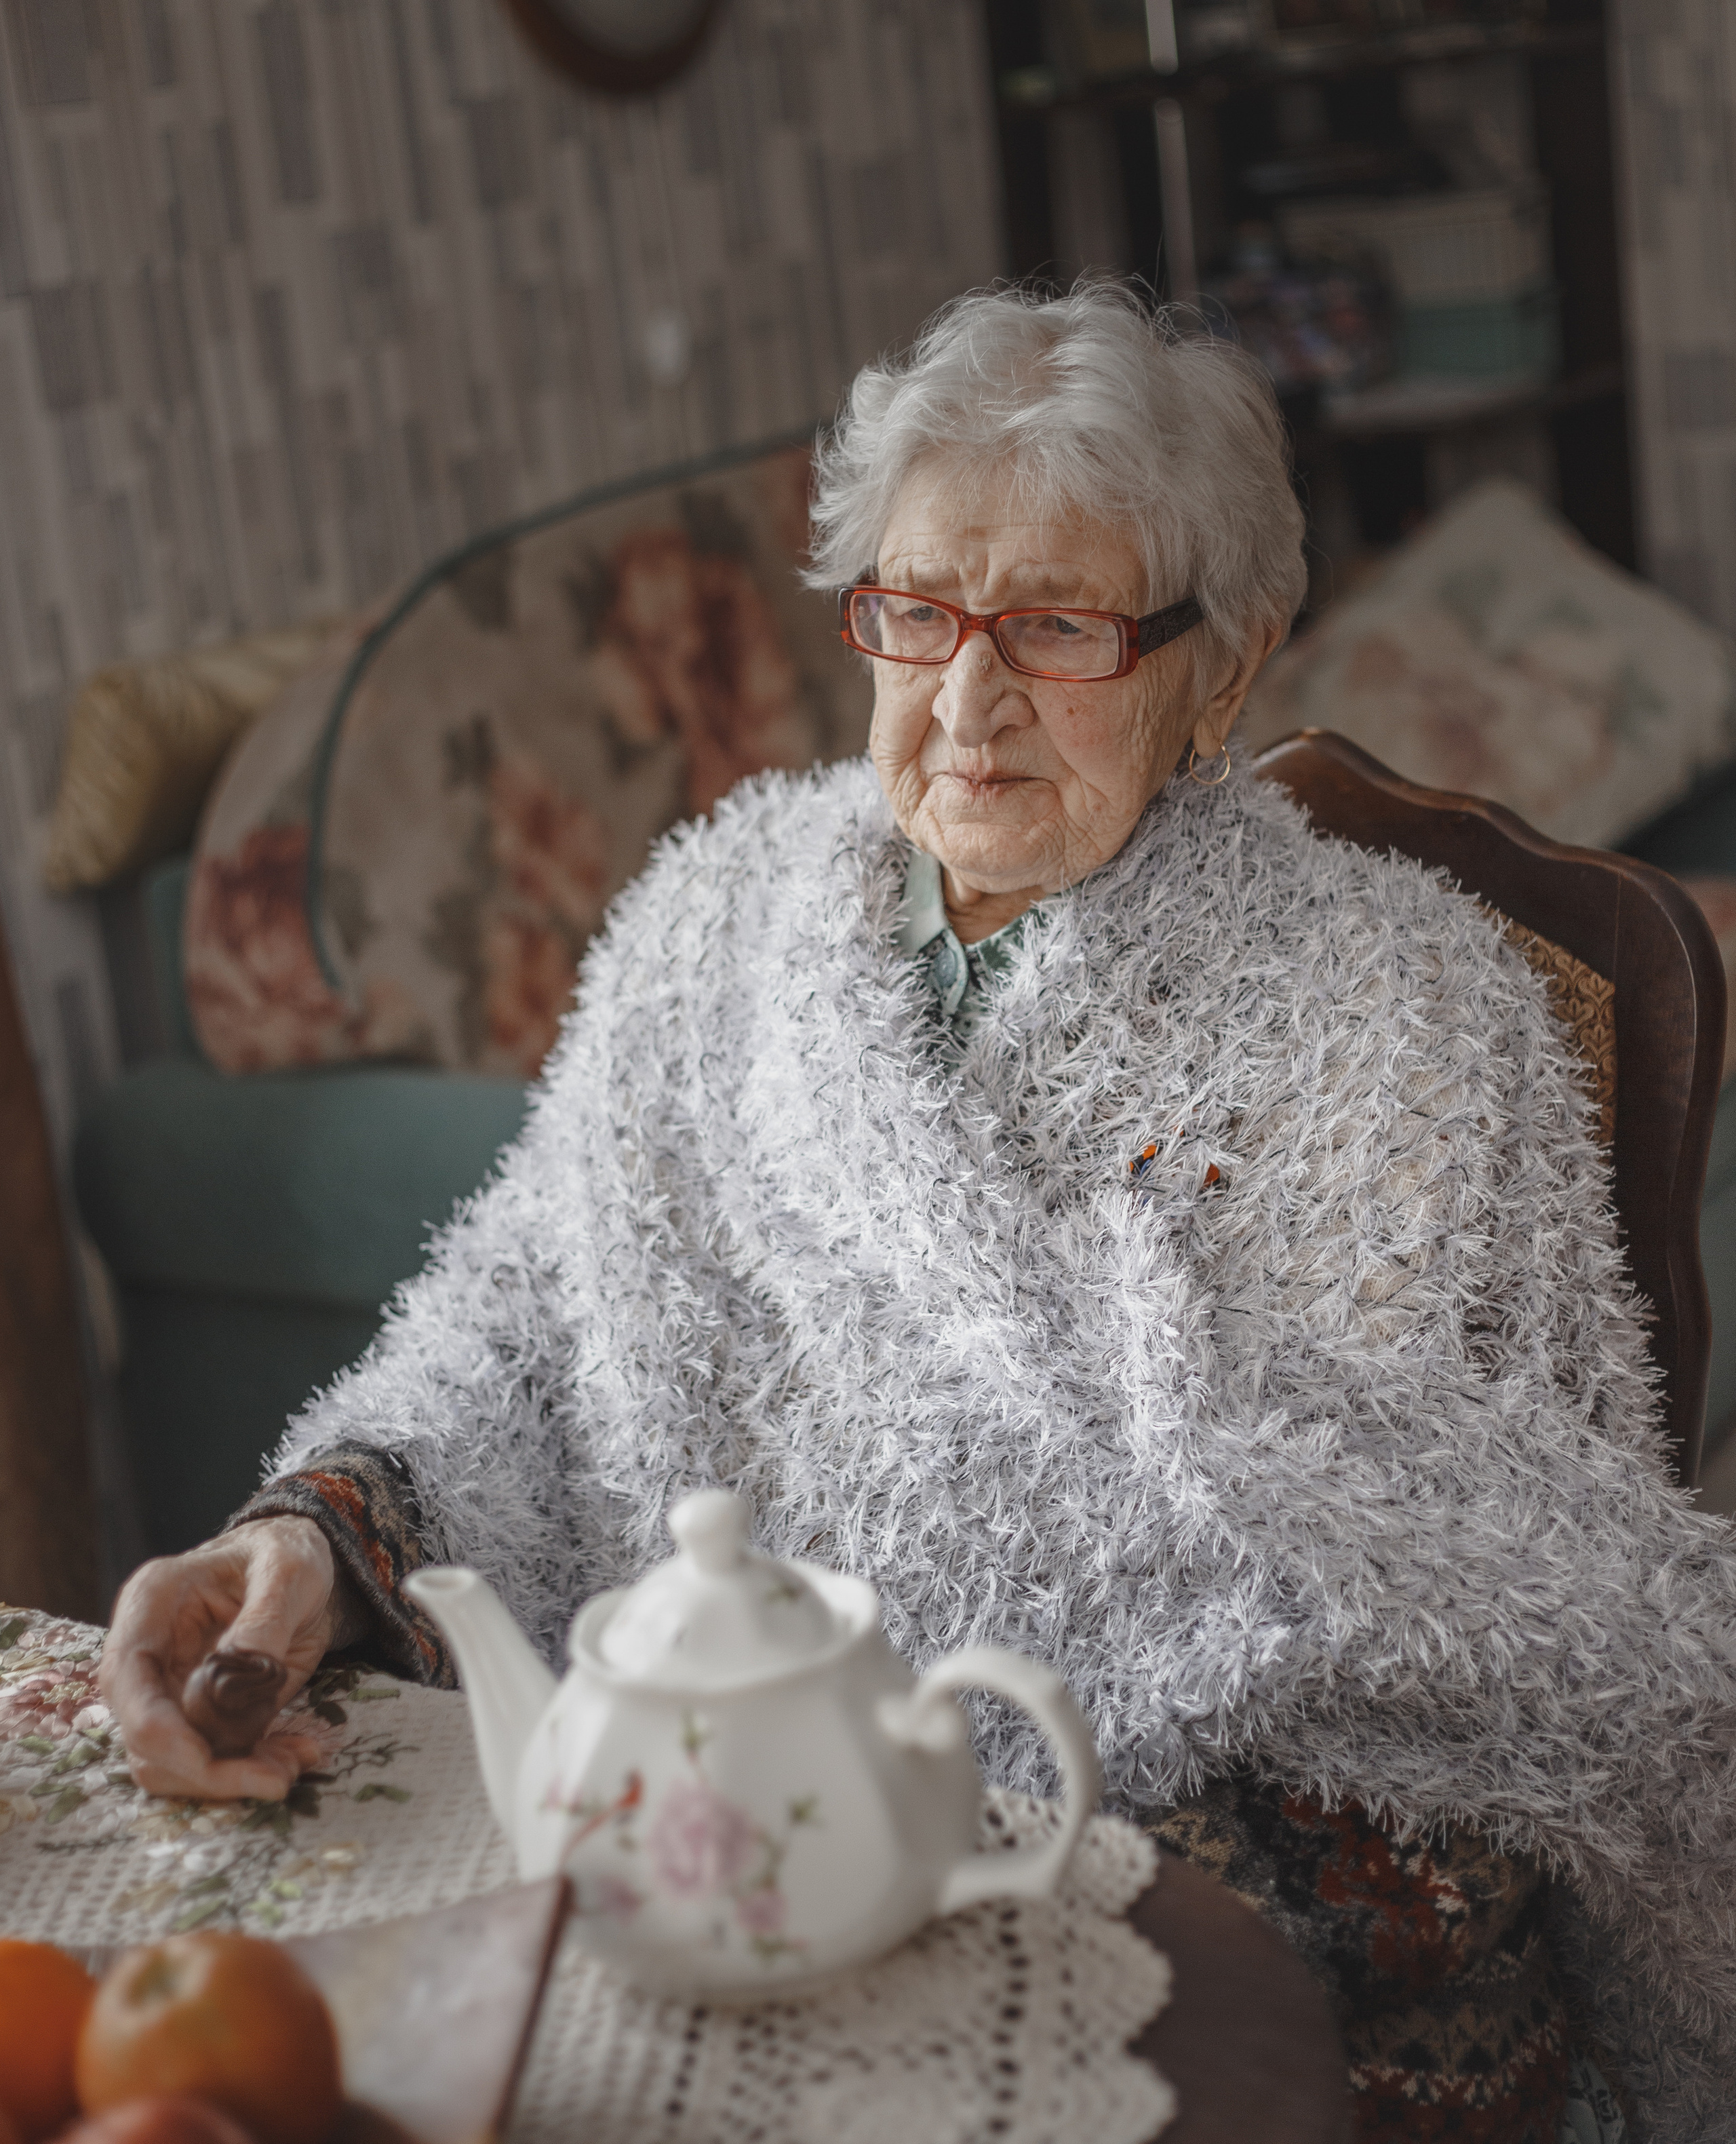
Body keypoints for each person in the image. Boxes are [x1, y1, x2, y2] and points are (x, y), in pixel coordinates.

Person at [102, 285, 1736, 2141]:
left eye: (1055, 626)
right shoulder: (719, 919)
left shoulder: (1408, 1013)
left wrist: (930, 1823)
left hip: (1174, 1874)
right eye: (916, 611)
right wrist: (319, 1534)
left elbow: (1416, 1579)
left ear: (1223, 666)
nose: (966, 703)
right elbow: (522, 1320)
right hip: (740, 1830)